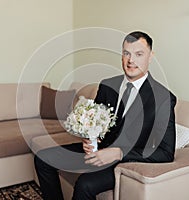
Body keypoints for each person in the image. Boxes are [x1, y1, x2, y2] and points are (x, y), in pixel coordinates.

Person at [34, 31, 177, 200]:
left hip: (124, 160)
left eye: (139, 54)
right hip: (97, 150)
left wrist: (119, 153)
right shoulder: (108, 85)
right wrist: (88, 139)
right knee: (42, 159)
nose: (131, 60)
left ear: (150, 56)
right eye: (126, 53)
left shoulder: (163, 98)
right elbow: (94, 123)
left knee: (85, 184)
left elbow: (166, 153)